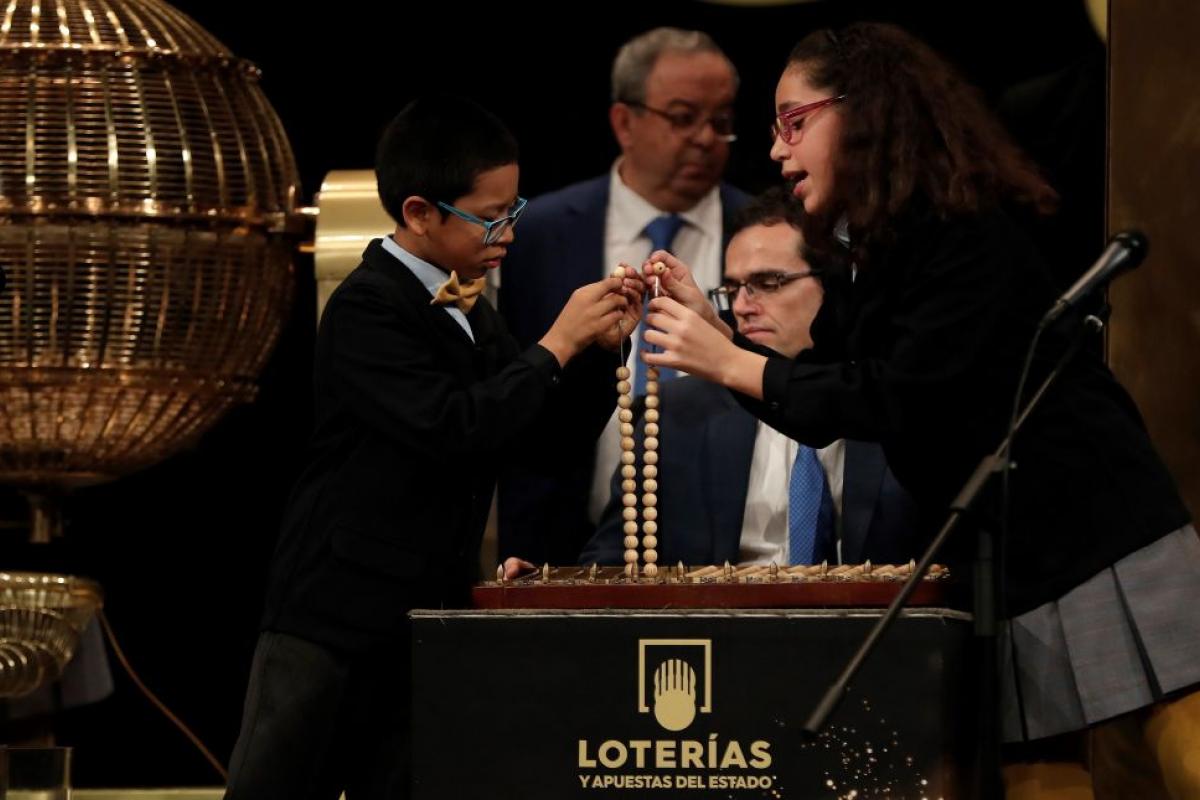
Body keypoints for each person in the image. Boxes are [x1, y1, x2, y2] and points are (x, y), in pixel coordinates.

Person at [638, 23, 1200, 798]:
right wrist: (718, 328)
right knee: (1044, 780)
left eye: (794, 122)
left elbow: (895, 396)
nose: (774, 150)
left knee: (1185, 751)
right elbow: (824, 392)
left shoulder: (959, 230)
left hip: (1094, 531)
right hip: (1010, 561)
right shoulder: (878, 252)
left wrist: (728, 360)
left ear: (866, 113)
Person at [223, 95, 643, 800]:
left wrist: (598, 351)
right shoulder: (366, 306)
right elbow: (455, 427)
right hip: (333, 613)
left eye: (516, 208)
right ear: (419, 212)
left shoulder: (475, 304)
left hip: (423, 615)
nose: (508, 230)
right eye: (490, 215)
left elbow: (540, 443)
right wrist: (556, 344)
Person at [497, 27, 750, 565]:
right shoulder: (535, 234)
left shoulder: (763, 232)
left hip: (721, 546)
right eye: (683, 117)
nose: (706, 138)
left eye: (721, 122)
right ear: (624, 122)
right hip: (556, 538)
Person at [582, 189, 920, 568]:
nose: (742, 306)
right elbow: (611, 562)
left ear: (835, 281)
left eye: (769, 282)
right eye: (733, 288)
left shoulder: (896, 399)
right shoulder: (674, 416)